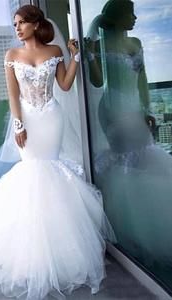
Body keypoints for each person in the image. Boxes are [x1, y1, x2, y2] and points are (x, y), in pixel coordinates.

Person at [0, 5, 116, 300]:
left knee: (50, 171)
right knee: (31, 172)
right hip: (28, 119)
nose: (17, 28)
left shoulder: (53, 52)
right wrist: (18, 124)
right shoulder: (11, 56)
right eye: (15, 24)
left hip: (52, 118)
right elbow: (13, 94)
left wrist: (75, 57)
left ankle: (61, 250)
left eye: (22, 22)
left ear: (37, 24)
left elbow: (64, 85)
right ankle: (29, 251)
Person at [85, 0, 172, 268]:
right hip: (112, 110)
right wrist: (89, 56)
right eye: (130, 13)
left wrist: (147, 109)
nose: (134, 18)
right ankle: (130, 232)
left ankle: (149, 220)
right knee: (126, 162)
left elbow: (142, 79)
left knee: (144, 158)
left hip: (135, 107)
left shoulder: (136, 43)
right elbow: (98, 82)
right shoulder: (99, 44)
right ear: (117, 17)